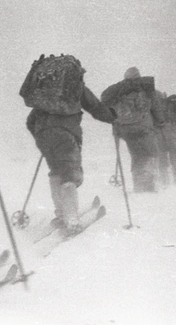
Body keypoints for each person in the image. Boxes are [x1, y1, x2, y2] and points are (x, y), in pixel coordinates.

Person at [23, 55, 116, 232]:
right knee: (69, 174)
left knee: (56, 173)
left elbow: (30, 122)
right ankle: (71, 219)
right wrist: (112, 117)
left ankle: (61, 215)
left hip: (43, 136)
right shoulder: (75, 88)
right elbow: (96, 108)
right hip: (66, 135)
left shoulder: (43, 95)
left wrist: (41, 137)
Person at [101, 67, 164, 192]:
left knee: (136, 156)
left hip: (125, 130)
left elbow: (106, 106)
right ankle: (148, 185)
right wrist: (160, 121)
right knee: (150, 154)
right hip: (143, 128)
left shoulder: (118, 90)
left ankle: (139, 185)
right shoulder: (146, 88)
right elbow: (155, 107)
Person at [154, 91, 176, 187]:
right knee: (175, 158)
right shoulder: (172, 106)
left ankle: (165, 183)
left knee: (162, 160)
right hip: (171, 134)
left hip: (158, 135)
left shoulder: (152, 108)